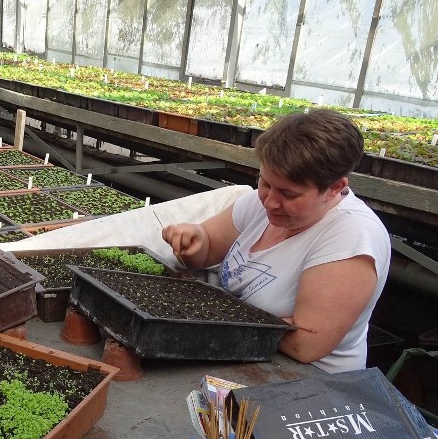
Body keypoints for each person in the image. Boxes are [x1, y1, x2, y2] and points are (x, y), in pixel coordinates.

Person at [161, 109, 390, 373]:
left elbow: (305, 344)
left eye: (289, 194)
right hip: (246, 353)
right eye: (265, 182)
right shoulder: (263, 205)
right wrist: (193, 239)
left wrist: (218, 316)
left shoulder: (351, 235)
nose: (270, 201)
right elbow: (209, 246)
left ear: (335, 188)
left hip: (305, 381)